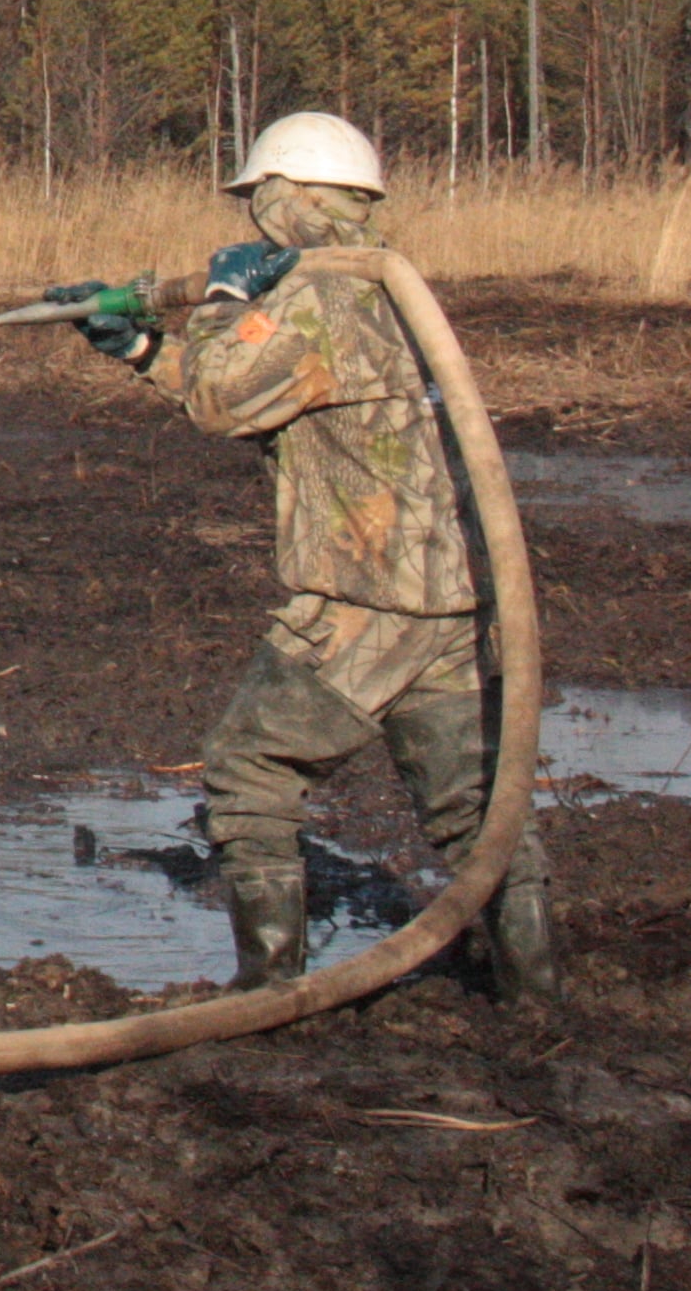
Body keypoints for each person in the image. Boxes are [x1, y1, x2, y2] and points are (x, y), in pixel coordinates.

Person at [62, 111, 556, 1002]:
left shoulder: (317, 294)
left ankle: (269, 996)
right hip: (443, 600)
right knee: (473, 813)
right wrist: (139, 346)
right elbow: (266, 392)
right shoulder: (380, 289)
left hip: (365, 599)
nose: (254, 215)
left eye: (260, 198)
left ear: (289, 196)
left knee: (248, 769)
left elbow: (222, 400)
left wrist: (224, 302)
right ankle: (535, 994)